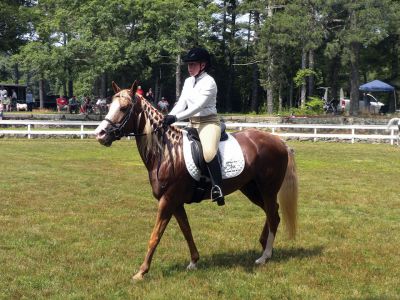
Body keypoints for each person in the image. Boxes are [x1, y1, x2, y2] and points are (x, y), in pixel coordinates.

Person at [162, 47, 224, 206]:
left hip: (208, 123)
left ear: (203, 65)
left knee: (209, 153)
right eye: (188, 65)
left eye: (193, 64)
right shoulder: (189, 81)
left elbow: (196, 107)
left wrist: (175, 117)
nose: (189, 68)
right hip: (192, 124)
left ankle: (218, 188)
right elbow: (182, 102)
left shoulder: (209, 82)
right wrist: (169, 116)